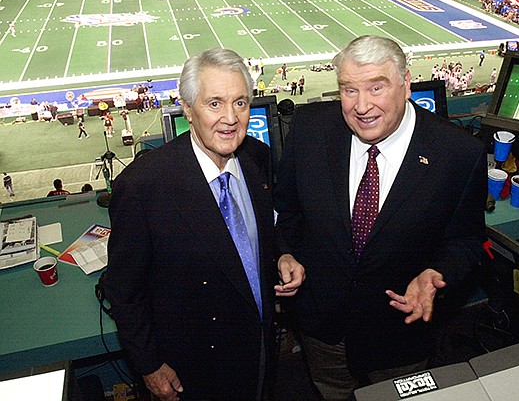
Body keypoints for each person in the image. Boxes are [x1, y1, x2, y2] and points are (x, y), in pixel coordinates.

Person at [275, 35, 487, 400]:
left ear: (406, 84)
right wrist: (285, 253)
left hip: (400, 332)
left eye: (377, 87)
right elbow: (286, 212)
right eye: (349, 90)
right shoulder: (309, 130)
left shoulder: (458, 153)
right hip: (322, 326)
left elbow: (466, 241)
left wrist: (436, 273)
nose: (361, 105)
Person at [105, 48, 305, 401]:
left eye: (240, 103)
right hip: (192, 367)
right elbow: (124, 289)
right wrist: (150, 366)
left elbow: (259, 234)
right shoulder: (143, 186)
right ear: (187, 107)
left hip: (259, 346)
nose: (230, 118)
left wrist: (282, 256)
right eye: (215, 103)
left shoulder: (257, 157)